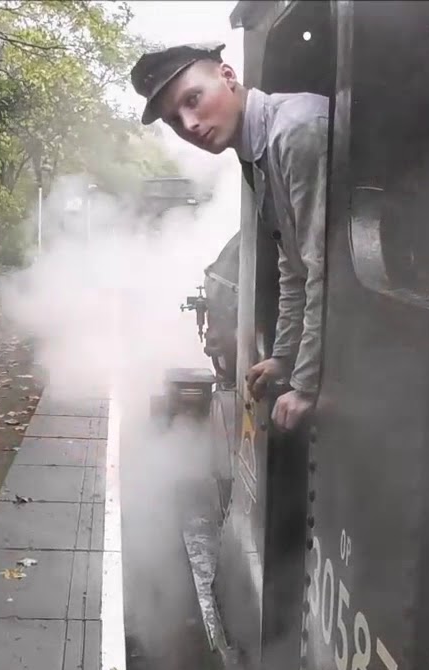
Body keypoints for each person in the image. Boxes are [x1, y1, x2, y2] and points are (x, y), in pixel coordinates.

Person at [131, 42, 328, 431]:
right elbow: (292, 263)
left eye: (193, 99)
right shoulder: (257, 153)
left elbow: (323, 265)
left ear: (228, 75)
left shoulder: (295, 131)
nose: (189, 124)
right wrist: (285, 357)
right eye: (174, 119)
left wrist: (304, 386)